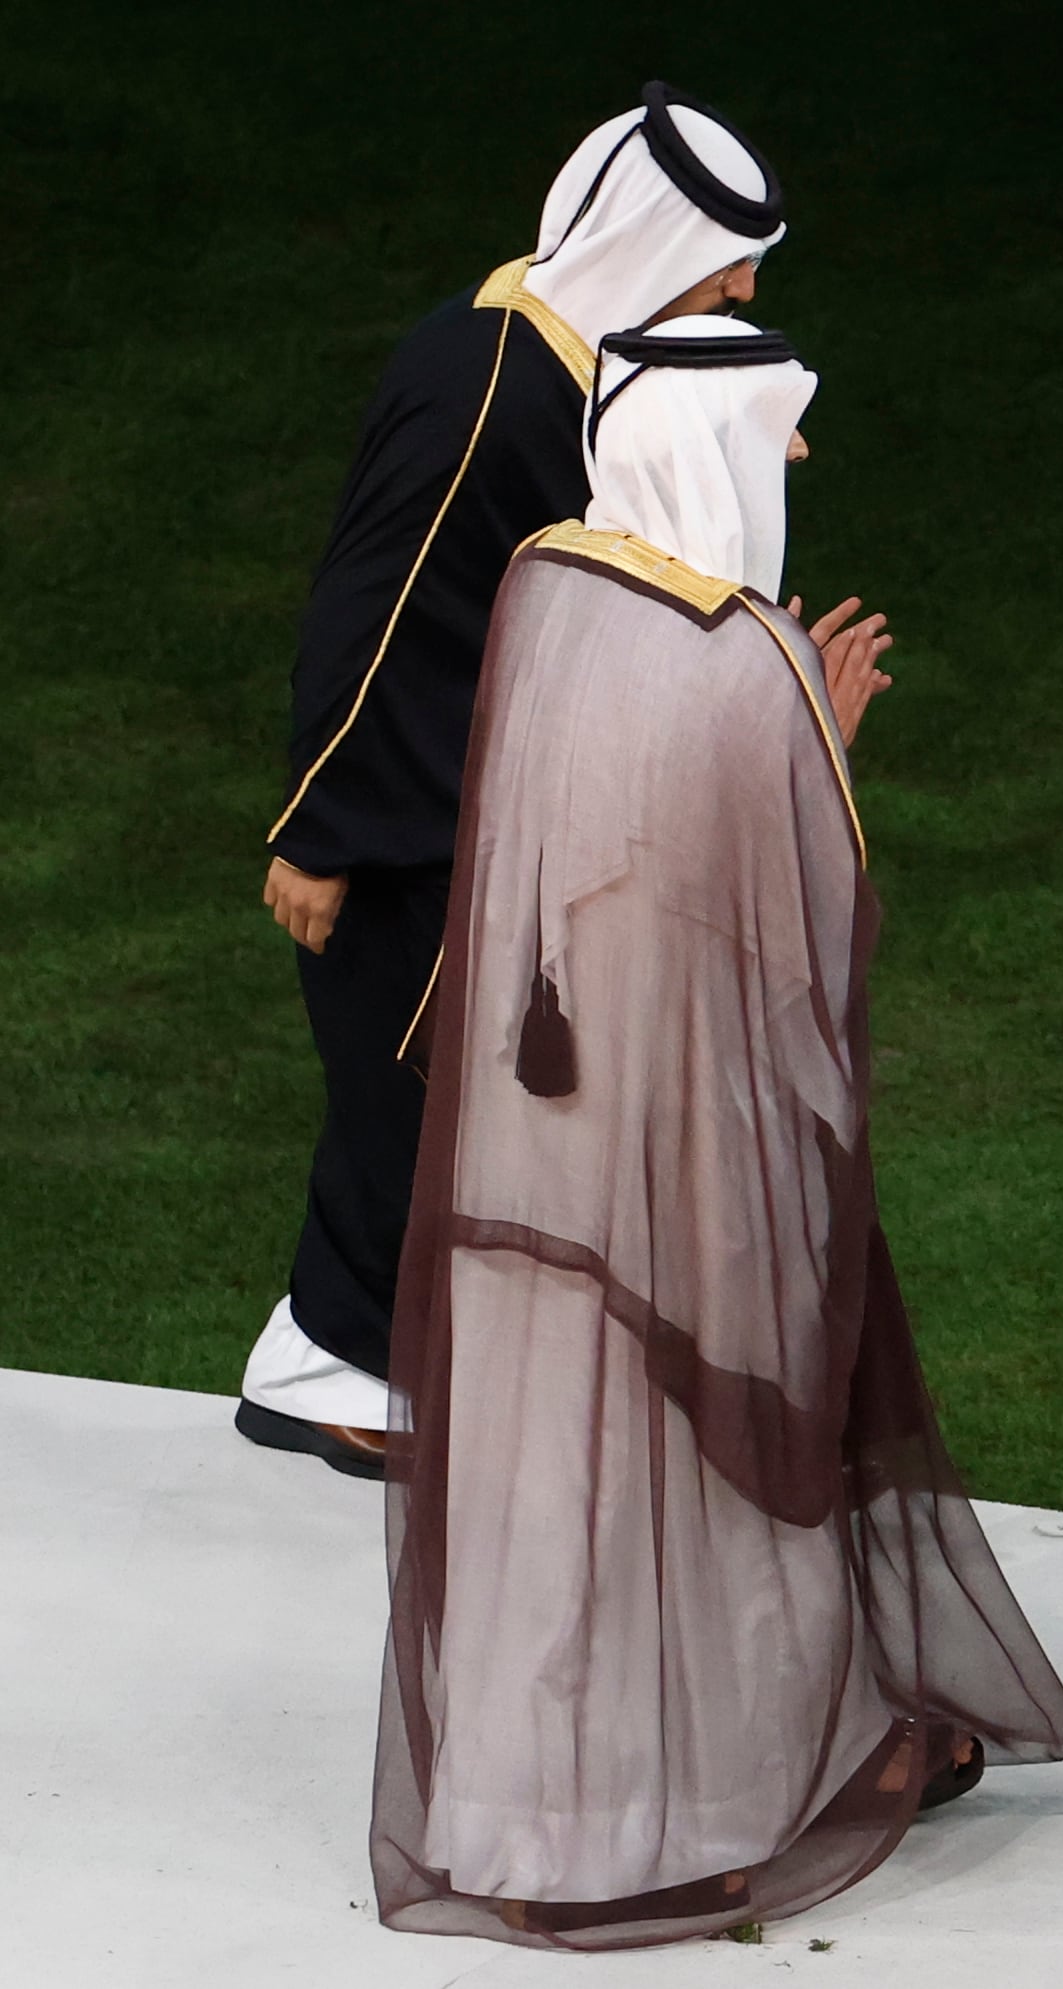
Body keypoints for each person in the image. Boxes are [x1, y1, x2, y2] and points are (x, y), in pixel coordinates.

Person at [372, 318, 1063, 1949]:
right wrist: (818, 750)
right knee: (695, 1460)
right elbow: (794, 941)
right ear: (720, 443)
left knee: (557, 1459)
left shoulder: (550, 584)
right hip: (680, 1144)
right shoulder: (741, 652)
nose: (802, 456)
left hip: (532, 1148)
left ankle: (527, 1805)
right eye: (784, 426)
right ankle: (700, 1804)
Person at [244, 83, 802, 1476]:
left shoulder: (570, 359)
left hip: (493, 806)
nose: (739, 288)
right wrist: (321, 828)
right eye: (722, 264)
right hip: (409, 823)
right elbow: (368, 616)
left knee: (465, 1102)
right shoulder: (486, 382)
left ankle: (390, 1353)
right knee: (409, 1100)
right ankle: (332, 1364)